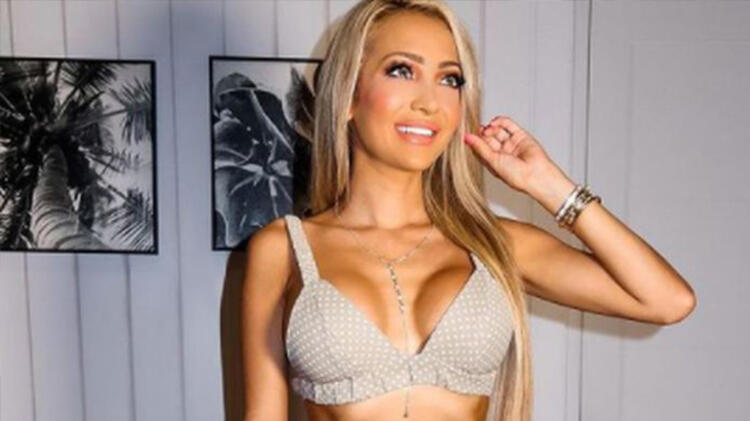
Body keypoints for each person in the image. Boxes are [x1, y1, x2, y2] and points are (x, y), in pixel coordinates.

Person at [240, 1, 697, 420]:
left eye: (450, 79)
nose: (429, 102)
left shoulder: (495, 245)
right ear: (347, 96)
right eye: (402, 70)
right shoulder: (284, 249)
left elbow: (666, 301)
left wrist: (548, 185)